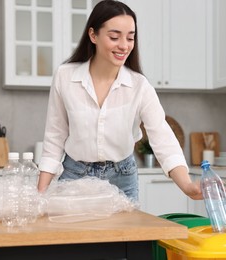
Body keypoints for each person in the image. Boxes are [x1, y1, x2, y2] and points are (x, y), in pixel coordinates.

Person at [37, 0, 202, 202]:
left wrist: (186, 186)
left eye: (130, 38)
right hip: (74, 176)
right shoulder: (65, 76)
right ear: (93, 35)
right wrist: (40, 195)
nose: (124, 45)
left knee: (124, 235)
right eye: (114, 37)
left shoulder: (139, 86)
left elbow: (163, 138)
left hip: (122, 179)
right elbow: (55, 136)